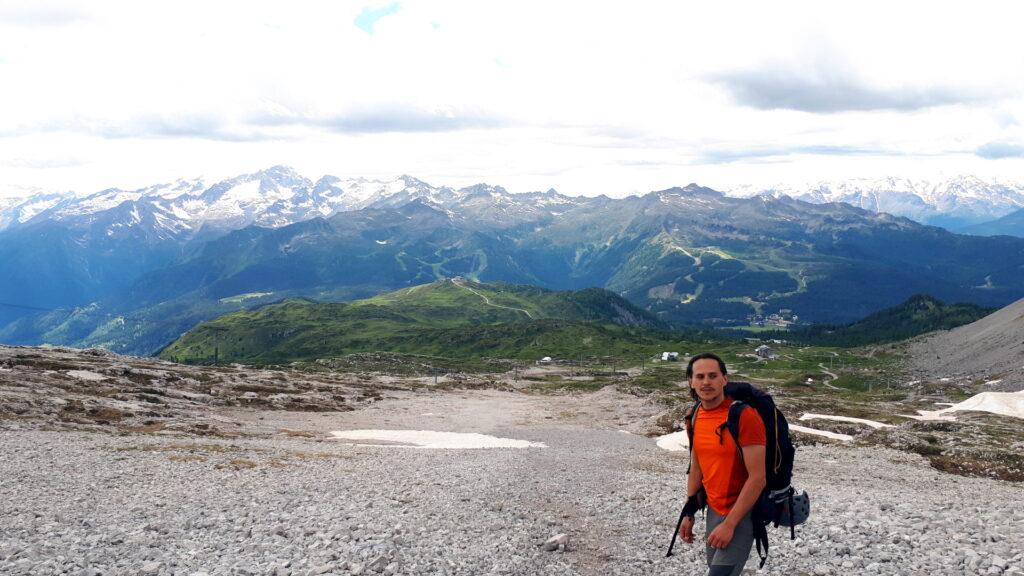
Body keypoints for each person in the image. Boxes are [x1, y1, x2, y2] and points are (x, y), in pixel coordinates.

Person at [678, 353, 766, 576]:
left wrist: (730, 524)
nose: (706, 382)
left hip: (741, 513)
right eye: (700, 376)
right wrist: (689, 512)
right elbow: (696, 466)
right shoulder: (695, 415)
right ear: (691, 382)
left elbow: (758, 478)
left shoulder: (744, 416)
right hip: (714, 510)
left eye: (713, 375)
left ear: (724, 379)